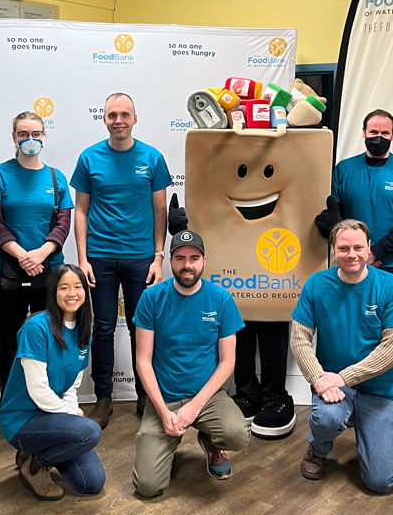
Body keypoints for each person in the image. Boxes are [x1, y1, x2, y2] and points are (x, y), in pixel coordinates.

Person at [314, 109, 393, 431]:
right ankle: (345, 397)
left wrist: (376, 253)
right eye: (373, 132)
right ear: (363, 133)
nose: (378, 138)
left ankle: (390, 405)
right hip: (350, 270)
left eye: (385, 133)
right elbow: (333, 213)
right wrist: (355, 253)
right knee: (348, 334)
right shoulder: (344, 170)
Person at [71, 92, 172, 428]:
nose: (118, 120)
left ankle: (146, 395)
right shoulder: (89, 158)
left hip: (141, 258)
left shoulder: (153, 157)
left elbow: (161, 211)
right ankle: (103, 397)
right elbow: (81, 210)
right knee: (101, 328)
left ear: (135, 118)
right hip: (98, 257)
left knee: (140, 328)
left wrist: (158, 257)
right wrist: (82, 258)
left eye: (124, 114)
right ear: (104, 119)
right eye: (112, 114)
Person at [291, 219, 393, 493]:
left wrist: (343, 378)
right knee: (327, 418)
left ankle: (370, 432)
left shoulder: (392, 286)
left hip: (378, 391)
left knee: (381, 483)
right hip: (332, 388)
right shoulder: (316, 284)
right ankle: (318, 448)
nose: (352, 255)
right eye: (344, 248)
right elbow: (300, 339)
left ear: (369, 247)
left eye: (359, 247)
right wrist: (319, 379)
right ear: (333, 249)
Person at [132, 230, 249, 498]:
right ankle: (166, 443)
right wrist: (164, 412)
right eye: (180, 258)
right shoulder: (151, 299)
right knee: (148, 487)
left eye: (194, 258)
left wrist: (194, 407)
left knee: (237, 435)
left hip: (206, 398)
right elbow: (143, 361)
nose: (187, 265)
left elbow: (228, 362)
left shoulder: (221, 299)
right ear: (170, 261)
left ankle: (210, 441)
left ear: (204, 261)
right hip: (165, 399)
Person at [168, 197, 297, 439]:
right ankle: (248, 392)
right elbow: (206, 230)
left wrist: (327, 231)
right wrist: (182, 232)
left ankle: (275, 396)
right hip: (233, 272)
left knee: (273, 321)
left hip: (275, 274)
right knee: (237, 322)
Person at [0, 265, 105, 501]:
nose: (72, 293)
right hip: (22, 419)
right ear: (53, 292)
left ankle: (34, 454)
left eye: (78, 287)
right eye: (64, 287)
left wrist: (71, 411)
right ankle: (35, 464)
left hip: (53, 417)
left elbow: (71, 386)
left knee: (92, 483)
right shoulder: (36, 327)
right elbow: (39, 392)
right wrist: (72, 415)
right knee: (90, 431)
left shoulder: (84, 330)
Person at [0, 111, 74, 393]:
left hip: (49, 273)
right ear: (14, 138)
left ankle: (48, 401)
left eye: (36, 134)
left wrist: (40, 254)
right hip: (7, 272)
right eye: (23, 134)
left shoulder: (56, 178)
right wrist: (24, 255)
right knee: (10, 341)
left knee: (48, 337)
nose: (30, 139)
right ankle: (12, 405)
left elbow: (63, 224)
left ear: (44, 137)